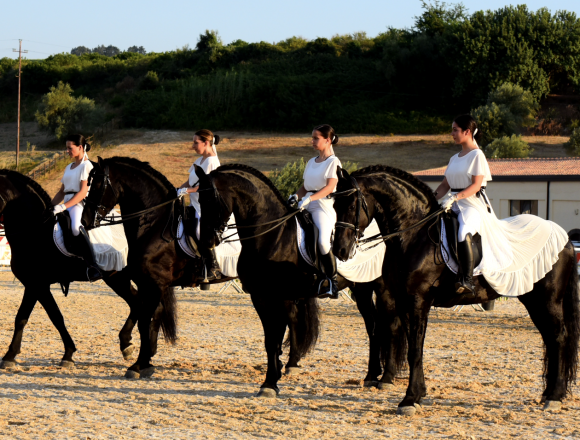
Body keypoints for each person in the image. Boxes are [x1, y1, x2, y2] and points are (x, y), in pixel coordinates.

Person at [289, 124, 341, 299]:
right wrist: (296, 196)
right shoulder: (312, 161)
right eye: (312, 138)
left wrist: (310, 199)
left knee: (323, 243)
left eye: (316, 138)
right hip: (305, 203)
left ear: (328, 140)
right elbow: (305, 186)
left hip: (322, 206)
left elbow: (330, 187)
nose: (312, 141)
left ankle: (332, 281)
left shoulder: (333, 162)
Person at [52, 134, 102, 281]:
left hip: (79, 203)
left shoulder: (87, 166)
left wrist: (63, 206)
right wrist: (50, 206)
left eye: (70, 148)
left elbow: (82, 192)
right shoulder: (68, 167)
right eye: (66, 148)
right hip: (65, 201)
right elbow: (62, 191)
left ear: (80, 147)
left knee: (75, 227)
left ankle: (93, 266)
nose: (67, 151)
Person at [177, 129, 222, 281]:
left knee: (198, 231)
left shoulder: (212, 162)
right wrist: (177, 190)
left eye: (196, 143)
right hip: (195, 204)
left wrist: (187, 191)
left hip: (206, 207)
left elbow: (207, 187)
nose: (193, 146)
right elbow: (190, 181)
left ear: (206, 143)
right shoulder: (199, 161)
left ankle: (213, 266)